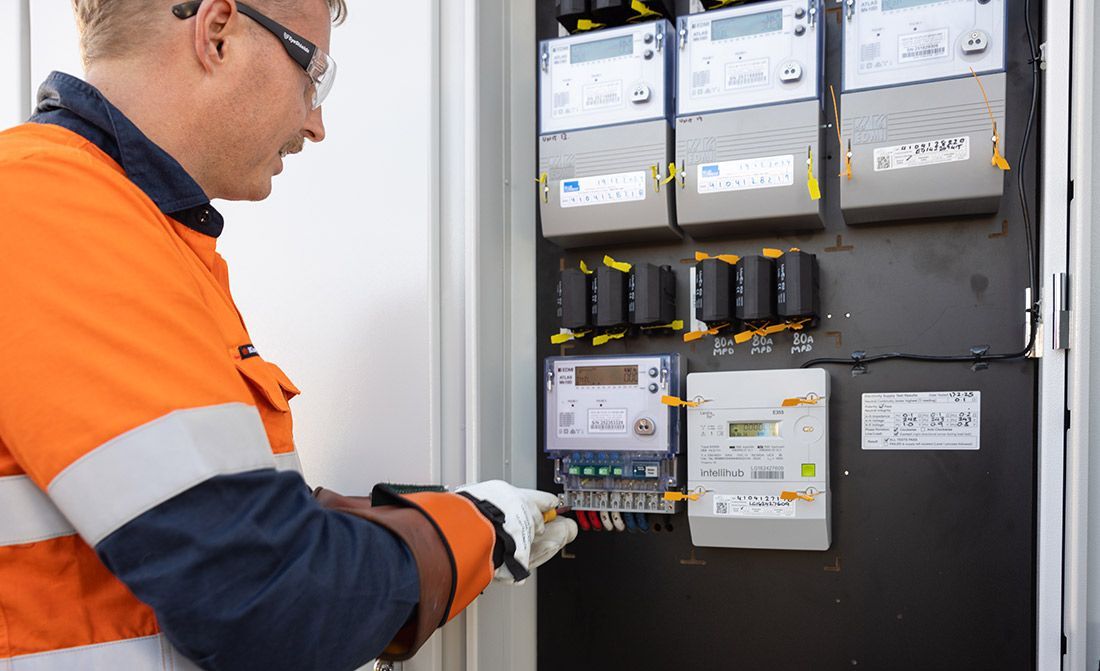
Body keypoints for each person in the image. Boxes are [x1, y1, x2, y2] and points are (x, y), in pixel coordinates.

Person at [0, 1, 578, 669]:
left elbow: (191, 531)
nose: (316, 121)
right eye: (314, 74)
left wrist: (372, 527)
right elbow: (264, 601)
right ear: (217, 34)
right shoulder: (57, 215)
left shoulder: (131, 229)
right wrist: (468, 532)